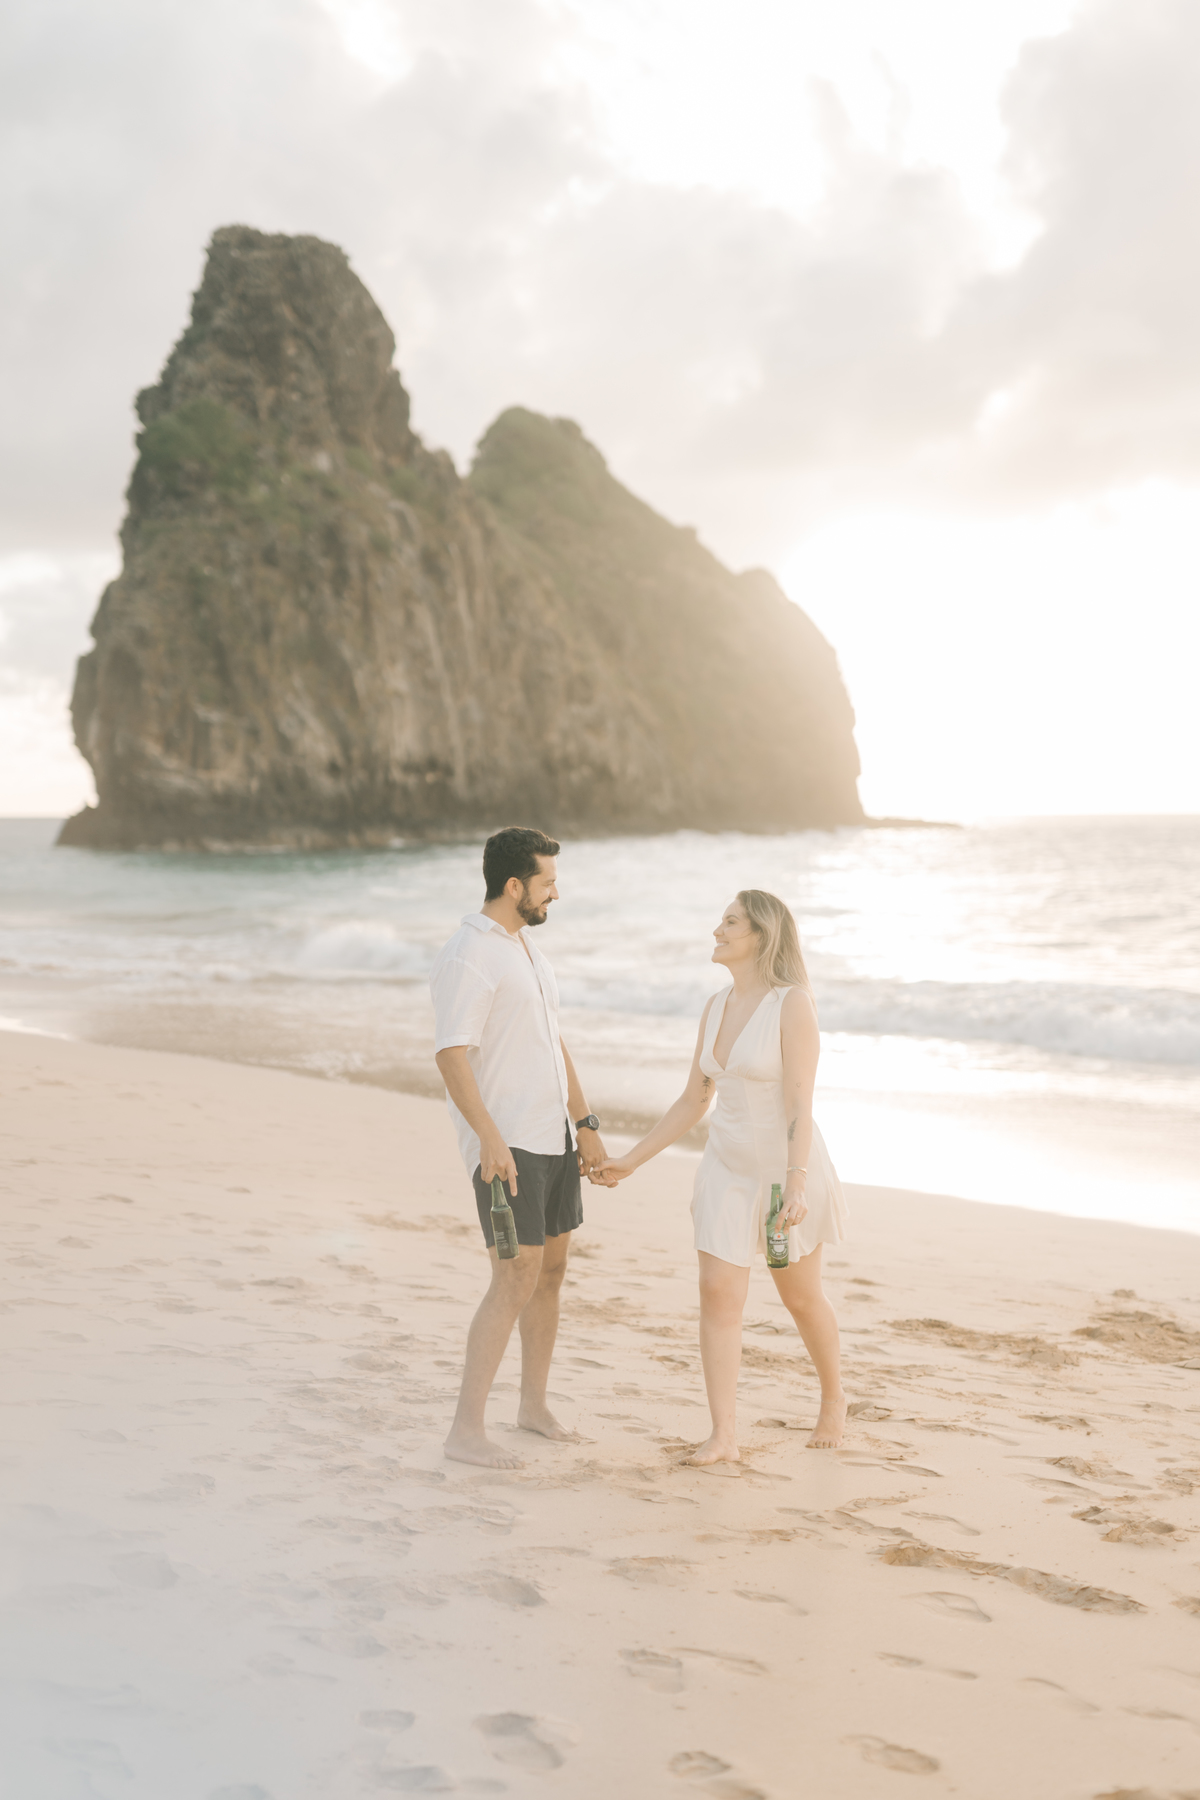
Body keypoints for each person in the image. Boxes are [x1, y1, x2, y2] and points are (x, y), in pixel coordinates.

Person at [594, 890, 848, 1463]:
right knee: (717, 1294)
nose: (718, 930)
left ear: (760, 935)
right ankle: (724, 1435)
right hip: (726, 1169)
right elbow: (694, 1100)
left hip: (786, 1171)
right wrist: (633, 1160)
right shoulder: (714, 1006)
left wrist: (798, 1182)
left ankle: (834, 1399)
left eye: (730, 922)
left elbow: (798, 1105)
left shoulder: (792, 1005)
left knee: (801, 1297)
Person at [430, 826, 610, 1469]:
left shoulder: (526, 950)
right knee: (513, 1277)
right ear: (514, 886)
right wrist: (489, 1140)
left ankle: (532, 1407)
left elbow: (551, 1041)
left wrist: (584, 1122)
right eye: (546, 883)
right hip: (507, 1146)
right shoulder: (469, 953)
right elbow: (451, 1053)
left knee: (551, 1274)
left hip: (552, 1137)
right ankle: (465, 1431)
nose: (554, 895)